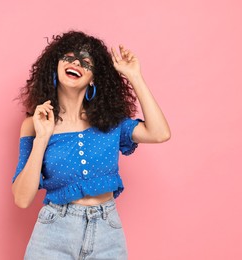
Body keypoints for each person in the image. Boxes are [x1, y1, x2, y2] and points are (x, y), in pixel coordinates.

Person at [12, 30, 170, 259]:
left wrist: (135, 76)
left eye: (86, 62)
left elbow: (159, 133)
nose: (76, 62)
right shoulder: (35, 123)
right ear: (55, 66)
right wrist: (42, 139)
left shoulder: (110, 122)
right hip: (54, 231)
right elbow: (22, 198)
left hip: (107, 231)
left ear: (93, 77)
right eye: (68, 57)